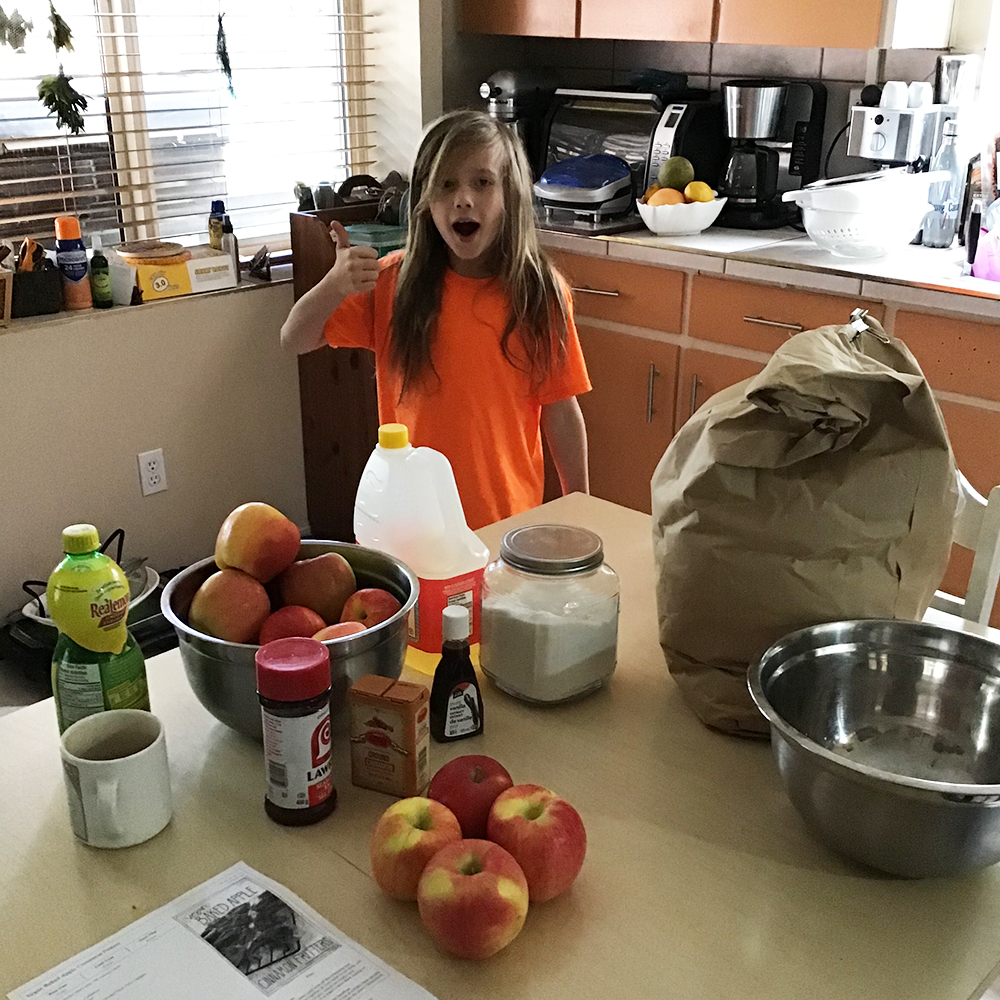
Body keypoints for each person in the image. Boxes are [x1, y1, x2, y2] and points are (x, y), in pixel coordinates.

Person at [281, 109, 591, 530]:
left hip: (504, 525)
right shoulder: (394, 284)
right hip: (410, 526)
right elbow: (295, 338)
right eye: (446, 184)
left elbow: (561, 409)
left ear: (510, 194)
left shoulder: (539, 293)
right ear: (425, 201)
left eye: (482, 182)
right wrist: (334, 285)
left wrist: (583, 505)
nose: (463, 198)